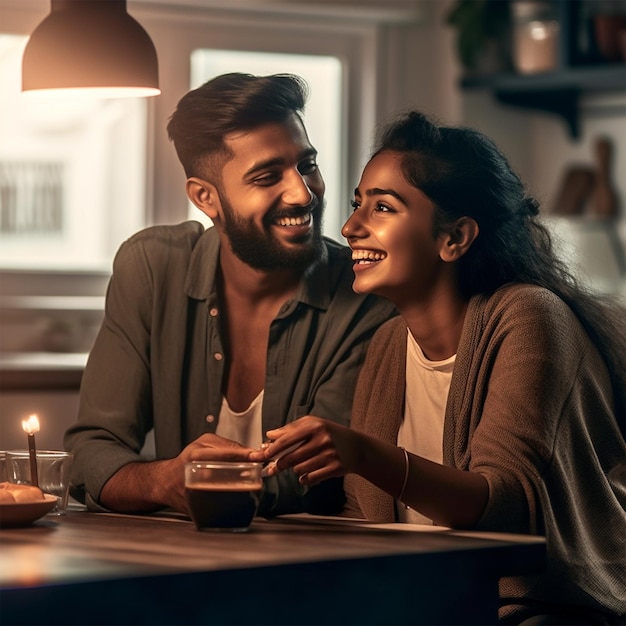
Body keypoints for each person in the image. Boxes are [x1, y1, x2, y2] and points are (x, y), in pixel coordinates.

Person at [251, 111, 626, 625]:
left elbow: (507, 506)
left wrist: (361, 452)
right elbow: (367, 518)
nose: (349, 227)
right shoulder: (387, 343)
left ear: (456, 237)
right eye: (358, 203)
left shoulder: (529, 318)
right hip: (424, 602)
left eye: (382, 207)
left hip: (538, 610)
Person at [63, 73, 395, 518]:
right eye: (266, 176)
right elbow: (90, 453)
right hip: (175, 562)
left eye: (307, 165)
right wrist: (164, 481)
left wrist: (193, 482)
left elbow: (312, 478)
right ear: (206, 197)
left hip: (310, 566)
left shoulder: (365, 293)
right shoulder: (151, 268)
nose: (302, 192)